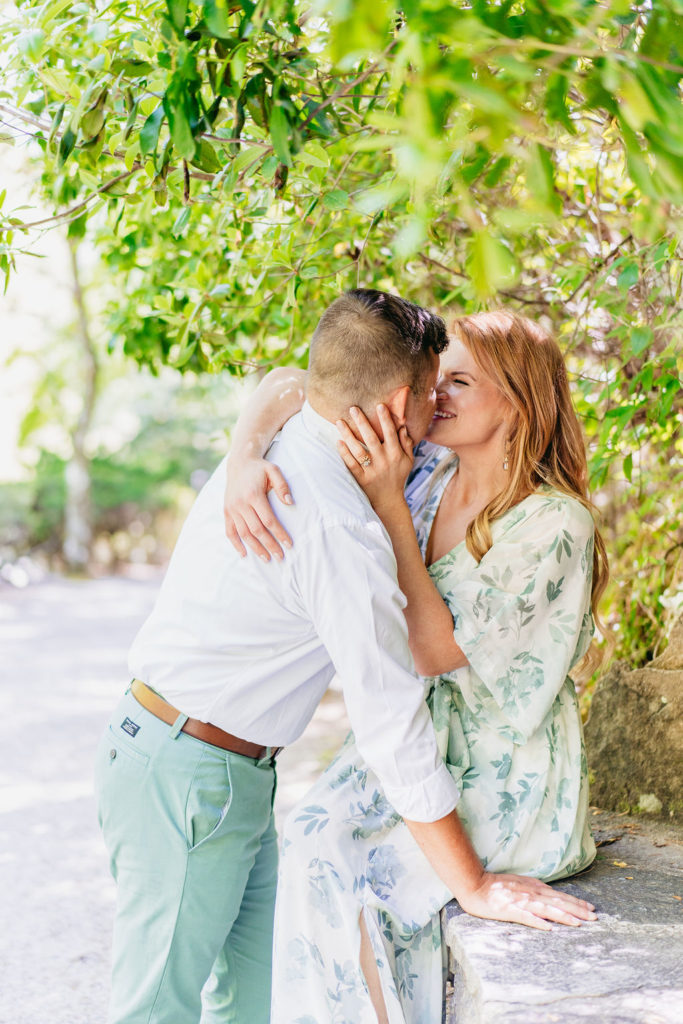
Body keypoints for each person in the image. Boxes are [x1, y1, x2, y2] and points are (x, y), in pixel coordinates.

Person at [95, 292, 595, 1024]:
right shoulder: (369, 501)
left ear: (519, 402)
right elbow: (393, 722)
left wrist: (250, 452)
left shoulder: (395, 469)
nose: (442, 398)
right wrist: (240, 455)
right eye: (438, 382)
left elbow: (294, 382)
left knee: (255, 995)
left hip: (227, 768)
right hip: (187, 768)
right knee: (155, 1009)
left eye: (462, 381)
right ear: (404, 400)